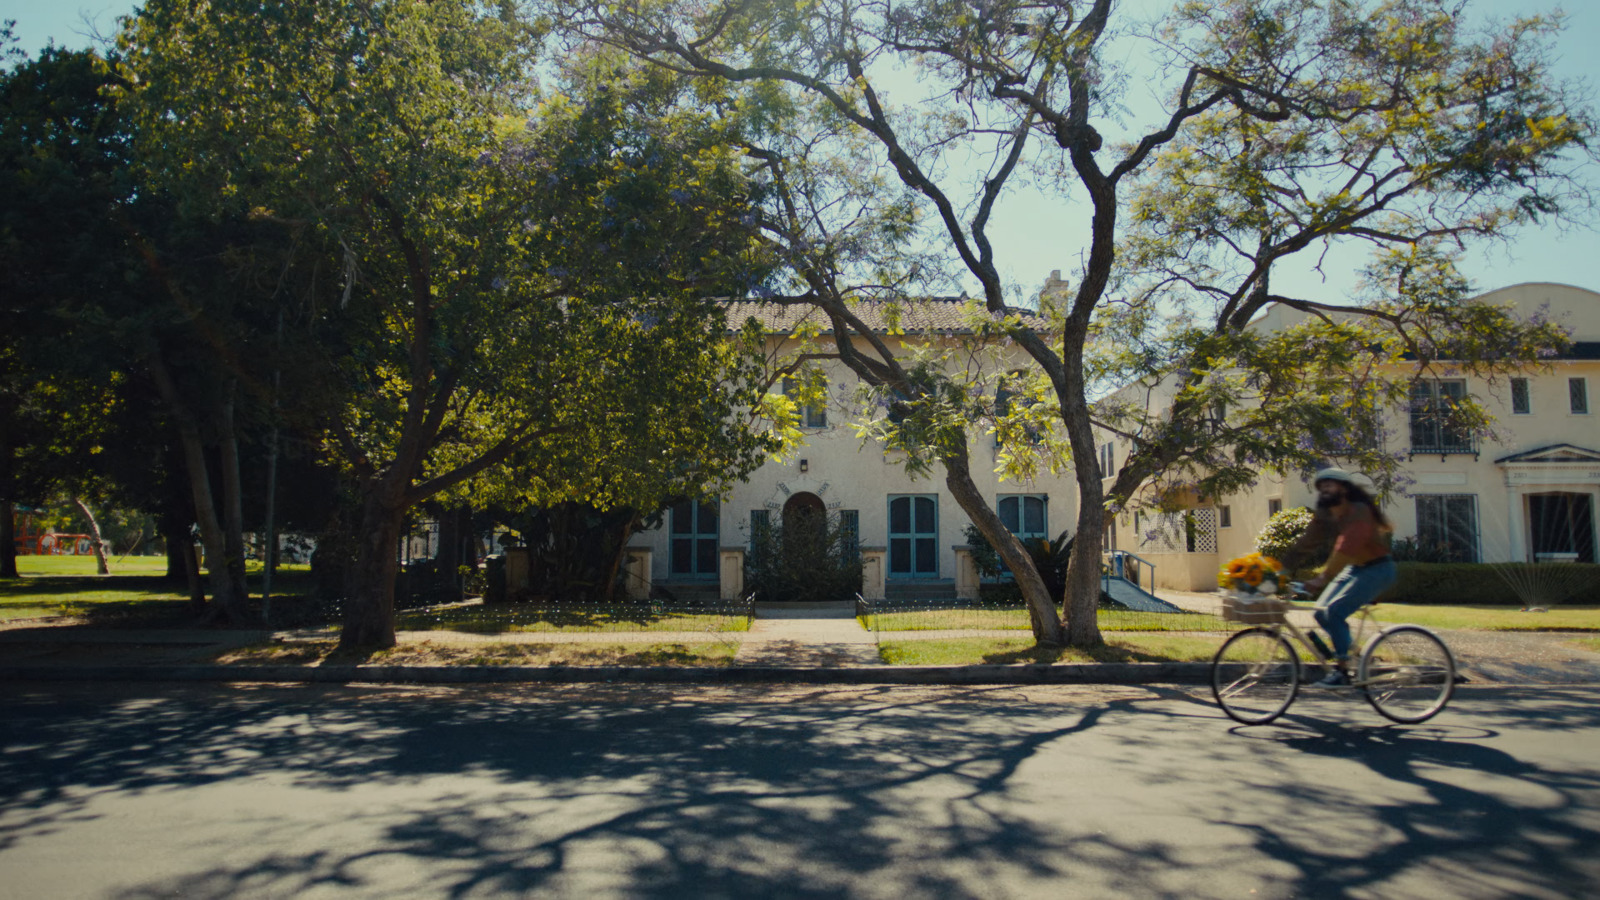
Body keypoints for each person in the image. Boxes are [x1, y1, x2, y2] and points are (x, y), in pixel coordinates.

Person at [1286, 467, 1396, 687]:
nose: (1325, 489)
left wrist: (1323, 577)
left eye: (1330, 484)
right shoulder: (1328, 513)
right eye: (1321, 486)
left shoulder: (1359, 511)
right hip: (1354, 569)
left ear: (1344, 488)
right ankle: (1350, 654)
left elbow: (1347, 545)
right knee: (1321, 613)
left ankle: (1342, 671)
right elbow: (1308, 542)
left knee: (1334, 612)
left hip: (1377, 569)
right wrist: (1278, 568)